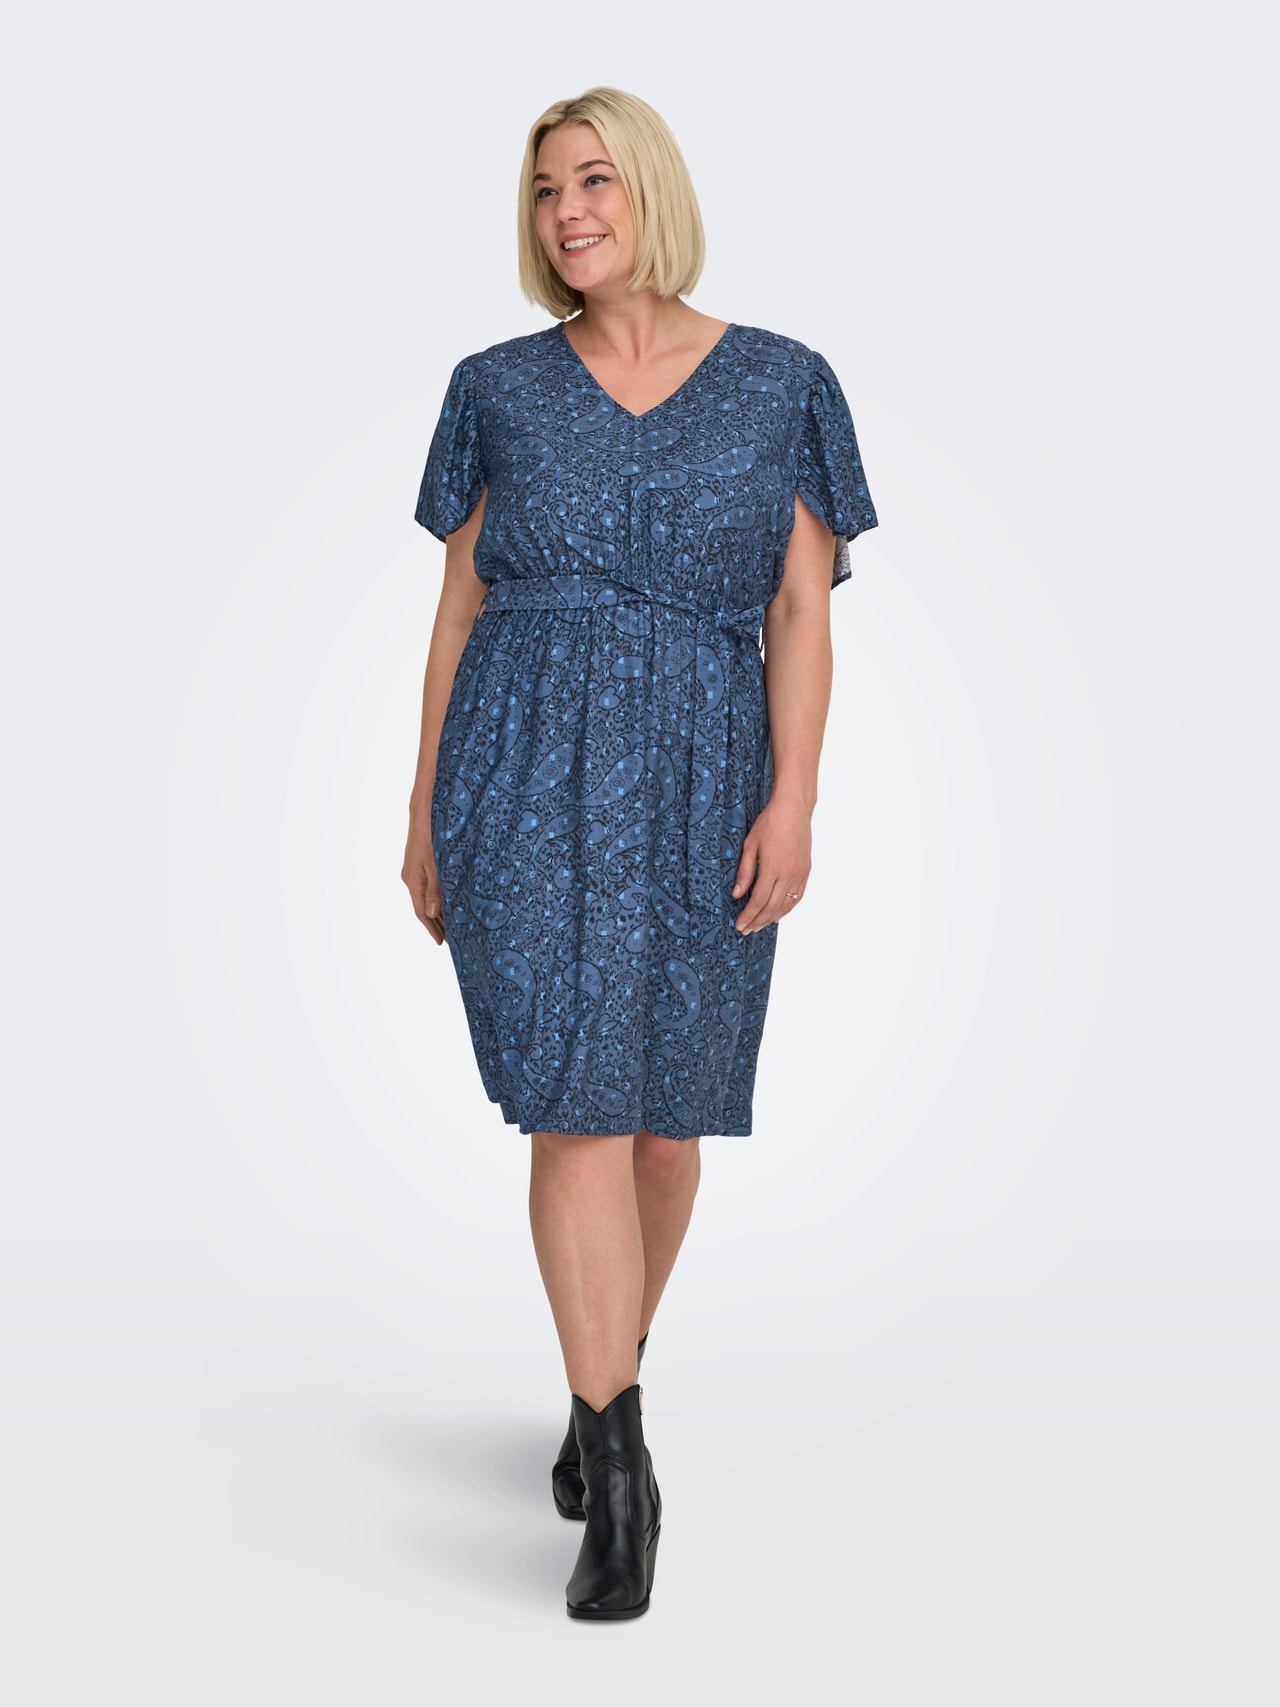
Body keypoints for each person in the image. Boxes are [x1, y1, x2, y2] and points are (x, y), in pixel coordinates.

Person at [403, 85, 878, 1620]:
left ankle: (602, 1367)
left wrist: (795, 799)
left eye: (594, 179)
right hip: (520, 772)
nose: (568, 212)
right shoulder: (492, 386)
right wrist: (422, 808)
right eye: (546, 189)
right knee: (574, 1110)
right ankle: (622, 1482)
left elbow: (800, 609)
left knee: (666, 1130)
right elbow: (459, 608)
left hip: (699, 776)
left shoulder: (786, 382)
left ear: (651, 190)